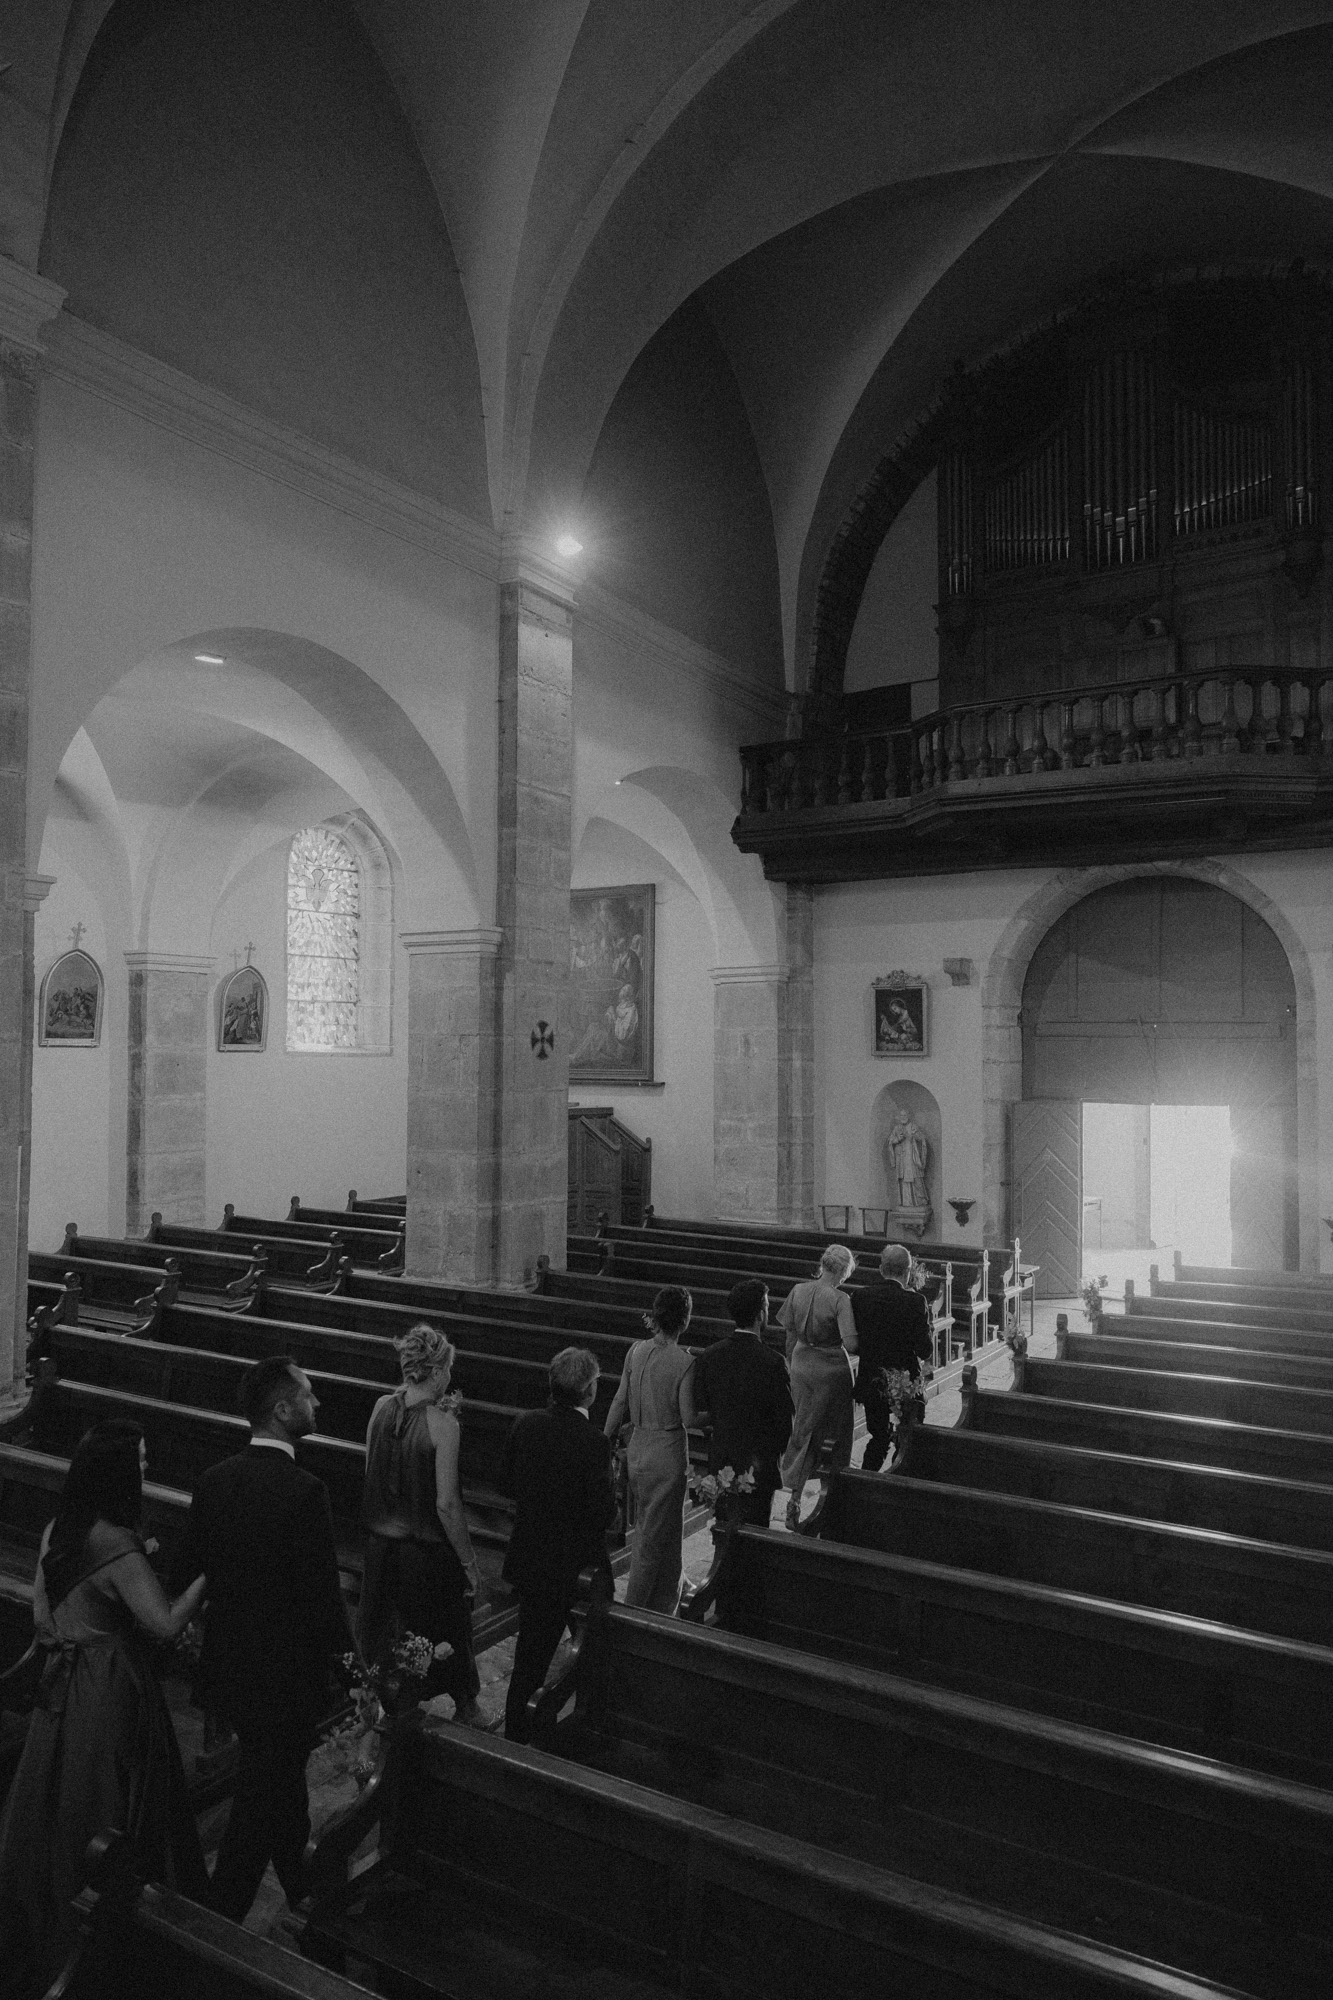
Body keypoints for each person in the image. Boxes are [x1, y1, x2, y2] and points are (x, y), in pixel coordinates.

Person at [0, 1421, 208, 1995]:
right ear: (118, 1472)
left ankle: (40, 1928)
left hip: (59, 1692)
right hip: (107, 1690)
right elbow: (165, 1624)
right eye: (140, 1460)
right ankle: (107, 1940)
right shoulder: (116, 1544)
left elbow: (43, 1622)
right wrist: (206, 1579)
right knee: (108, 1806)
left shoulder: (55, 1531)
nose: (146, 1469)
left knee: (50, 1806)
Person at [172, 1355, 354, 1924]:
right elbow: (324, 1599)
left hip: (232, 1668)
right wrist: (354, 1673)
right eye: (307, 1395)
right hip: (287, 1676)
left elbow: (191, 1573)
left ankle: (301, 1892)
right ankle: (223, 1917)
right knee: (263, 1793)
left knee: (276, 1784)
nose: (316, 1404)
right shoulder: (305, 1491)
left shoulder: (214, 1479)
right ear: (281, 1410)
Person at [358, 1323, 483, 1724]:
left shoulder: (380, 1408)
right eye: (448, 1368)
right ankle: (467, 1706)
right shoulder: (444, 1425)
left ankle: (390, 1708)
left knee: (385, 1635)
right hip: (424, 1556)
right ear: (435, 1372)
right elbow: (446, 1504)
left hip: (380, 1550)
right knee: (449, 1629)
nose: (450, 1376)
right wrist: (467, 1561)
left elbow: (370, 1473)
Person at [500, 1346, 615, 1743]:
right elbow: (605, 1516)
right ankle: (588, 1723)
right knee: (596, 1646)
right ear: (589, 1391)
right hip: (578, 1568)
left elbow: (505, 1485)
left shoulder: (526, 1424)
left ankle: (515, 1735)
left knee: (529, 1657)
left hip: (532, 1557)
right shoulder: (595, 1443)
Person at [604, 1285, 698, 1612]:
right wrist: (716, 1413)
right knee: (649, 1542)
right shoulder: (684, 1362)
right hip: (667, 1453)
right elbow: (688, 1416)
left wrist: (605, 1439)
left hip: (638, 1448)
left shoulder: (636, 1350)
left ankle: (669, 1598)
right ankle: (629, 1614)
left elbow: (619, 1400)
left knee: (666, 1528)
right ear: (685, 1320)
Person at [691, 1279, 793, 1527]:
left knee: (724, 1529)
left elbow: (703, 1408)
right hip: (759, 1464)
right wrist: (772, 1458)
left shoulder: (710, 1355)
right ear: (760, 1314)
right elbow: (785, 1424)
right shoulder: (774, 1362)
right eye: (767, 1306)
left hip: (722, 1460)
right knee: (755, 1534)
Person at [778, 1245, 858, 1531]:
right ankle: (835, 1494)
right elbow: (851, 1344)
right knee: (836, 1431)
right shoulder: (839, 1298)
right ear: (844, 1270)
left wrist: (792, 1361)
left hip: (800, 1362)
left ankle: (795, 1499)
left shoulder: (799, 1290)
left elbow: (788, 1333)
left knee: (804, 1428)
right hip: (830, 1369)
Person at [851, 1243, 934, 1471]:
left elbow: (854, 1342)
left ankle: (867, 1483)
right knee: (910, 1435)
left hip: (872, 1380)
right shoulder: (915, 1301)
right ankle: (900, 1477)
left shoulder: (859, 1297)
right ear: (908, 1272)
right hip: (905, 1381)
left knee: (878, 1436)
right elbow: (925, 1350)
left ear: (881, 1269)